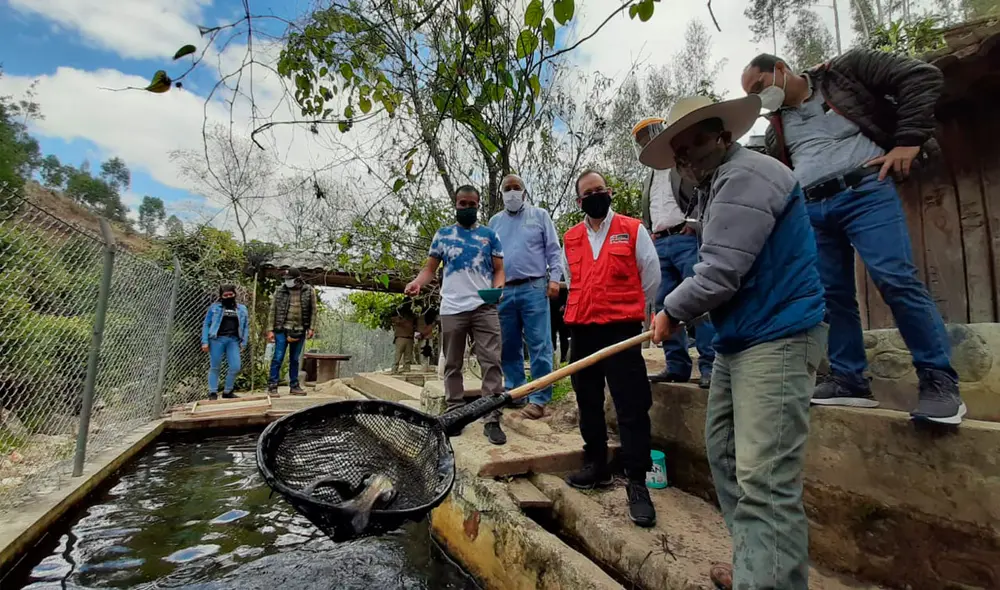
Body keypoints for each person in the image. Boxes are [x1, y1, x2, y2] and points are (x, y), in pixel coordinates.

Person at [642, 94, 827, 590]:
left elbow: (720, 272)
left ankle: (767, 580)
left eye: (695, 142)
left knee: (766, 482)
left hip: (778, 336)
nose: (685, 156)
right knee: (723, 454)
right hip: (737, 340)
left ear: (723, 135)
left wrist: (669, 312)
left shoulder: (747, 175)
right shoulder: (713, 186)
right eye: (678, 151)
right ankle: (754, 565)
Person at [741, 51, 965, 425]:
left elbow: (921, 76)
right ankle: (849, 380)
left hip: (866, 191)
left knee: (895, 279)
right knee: (831, 295)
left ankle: (938, 380)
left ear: (780, 70)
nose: (759, 97)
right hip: (813, 208)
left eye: (760, 86)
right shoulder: (775, 128)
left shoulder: (844, 74)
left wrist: (908, 140)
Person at [561, 169, 660, 528]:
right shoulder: (570, 237)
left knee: (631, 404)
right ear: (579, 201)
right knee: (587, 400)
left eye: (599, 190)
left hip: (621, 329)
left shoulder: (633, 229)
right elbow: (573, 281)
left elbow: (650, 276)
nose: (595, 196)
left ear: (610, 192)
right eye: (588, 193)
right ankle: (596, 465)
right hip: (583, 329)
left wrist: (631, 311)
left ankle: (637, 483)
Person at [405, 185, 508, 445]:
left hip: (484, 306)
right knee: (453, 363)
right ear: (455, 204)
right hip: (452, 307)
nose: (467, 208)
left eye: (472, 204)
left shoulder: (490, 236)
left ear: (478, 205)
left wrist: (499, 288)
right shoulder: (443, 235)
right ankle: (455, 412)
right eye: (462, 204)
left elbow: (499, 270)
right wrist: (418, 282)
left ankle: (491, 415)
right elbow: (430, 268)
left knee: (491, 360)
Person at [635, 117, 716, 389]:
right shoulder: (648, 179)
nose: (645, 142)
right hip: (660, 244)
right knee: (664, 306)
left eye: (648, 135)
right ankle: (677, 366)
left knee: (698, 304)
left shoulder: (682, 165)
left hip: (685, 238)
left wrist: (694, 223)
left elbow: (702, 191)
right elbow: (651, 210)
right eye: (640, 140)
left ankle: (710, 365)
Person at [488, 174, 563, 419]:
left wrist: (554, 280)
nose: (511, 192)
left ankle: (539, 398)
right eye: (507, 189)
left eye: (516, 188)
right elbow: (490, 258)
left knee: (539, 343)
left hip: (534, 287)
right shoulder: (494, 222)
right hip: (504, 290)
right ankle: (515, 390)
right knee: (508, 344)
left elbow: (554, 250)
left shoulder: (539, 215)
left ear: (525, 192)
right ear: (501, 194)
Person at [266, 268, 317, 397]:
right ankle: (272, 385)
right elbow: (273, 310)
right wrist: (270, 329)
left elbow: (313, 311)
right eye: (286, 279)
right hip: (281, 329)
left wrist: (311, 327)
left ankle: (294, 385)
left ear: (297, 279)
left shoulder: (309, 291)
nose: (287, 282)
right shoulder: (280, 290)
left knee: (295, 359)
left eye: (290, 279)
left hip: (299, 329)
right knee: (278, 357)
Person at [201, 284, 249, 400]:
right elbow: (206, 324)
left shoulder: (242, 309)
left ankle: (228, 391)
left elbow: (245, 326)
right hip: (217, 339)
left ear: (235, 294)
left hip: (233, 340)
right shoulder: (214, 307)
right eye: (225, 295)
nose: (228, 297)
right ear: (221, 296)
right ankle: (213, 392)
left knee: (235, 366)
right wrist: (205, 341)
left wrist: (244, 342)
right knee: (215, 366)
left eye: (230, 294)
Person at [390, 302, 417, 374]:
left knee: (406, 355)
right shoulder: (398, 317)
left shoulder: (411, 317)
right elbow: (392, 319)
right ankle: (395, 369)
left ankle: (405, 368)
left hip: (408, 338)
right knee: (398, 355)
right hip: (403, 338)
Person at [550, 282, 569, 365]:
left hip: (563, 303)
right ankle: (553, 358)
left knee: (564, 335)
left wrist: (565, 305)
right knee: (551, 334)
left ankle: (563, 358)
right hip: (551, 306)